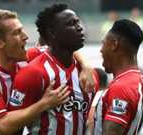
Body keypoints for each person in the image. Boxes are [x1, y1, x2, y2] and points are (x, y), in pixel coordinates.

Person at [0, 9, 70, 135]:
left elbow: (62, 47)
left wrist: (85, 67)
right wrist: (44, 103)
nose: (25, 36)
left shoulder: (26, 58)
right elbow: (3, 127)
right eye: (17, 33)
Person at [8, 4, 107, 135]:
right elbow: (12, 127)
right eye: (71, 24)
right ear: (52, 33)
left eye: (78, 22)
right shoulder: (33, 73)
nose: (79, 28)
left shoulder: (88, 73)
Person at [88, 19, 143, 135]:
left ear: (114, 44)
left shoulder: (122, 86)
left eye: (103, 43)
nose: (101, 50)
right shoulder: (135, 79)